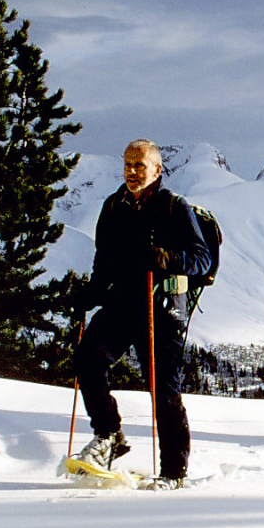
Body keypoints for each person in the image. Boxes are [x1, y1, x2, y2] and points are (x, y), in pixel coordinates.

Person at [71, 139, 212, 488]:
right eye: (128, 165)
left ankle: (174, 472)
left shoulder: (173, 207)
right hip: (121, 302)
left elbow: (202, 259)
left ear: (157, 170)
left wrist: (168, 258)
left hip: (161, 308)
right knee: (87, 360)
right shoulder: (112, 206)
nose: (133, 172)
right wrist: (89, 295)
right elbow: (103, 261)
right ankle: (109, 434)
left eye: (140, 165)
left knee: (163, 389)